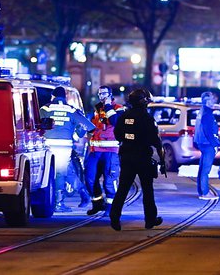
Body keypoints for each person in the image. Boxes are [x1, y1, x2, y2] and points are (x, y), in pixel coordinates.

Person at [109, 88, 165, 231]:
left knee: (122, 188)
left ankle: (114, 217)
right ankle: (150, 220)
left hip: (127, 156)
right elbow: (155, 140)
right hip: (142, 158)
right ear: (144, 102)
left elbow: (118, 135)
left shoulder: (124, 116)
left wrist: (129, 140)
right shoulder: (147, 118)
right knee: (147, 190)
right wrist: (162, 158)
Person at [41, 86, 95, 212]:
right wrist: (75, 136)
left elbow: (36, 124)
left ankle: (58, 203)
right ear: (65, 97)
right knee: (65, 172)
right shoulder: (71, 110)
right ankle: (83, 194)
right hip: (64, 148)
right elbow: (89, 127)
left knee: (55, 174)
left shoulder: (45, 109)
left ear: (53, 96)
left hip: (48, 147)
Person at [85, 85, 125, 216]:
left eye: (104, 94)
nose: (101, 96)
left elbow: (115, 121)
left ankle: (111, 207)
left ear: (110, 94)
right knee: (90, 179)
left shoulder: (119, 109)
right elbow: (94, 126)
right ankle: (97, 203)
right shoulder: (97, 109)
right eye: (99, 94)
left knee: (109, 180)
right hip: (95, 150)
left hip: (110, 151)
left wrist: (108, 106)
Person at [193, 91, 220, 200]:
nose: (214, 102)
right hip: (207, 144)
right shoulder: (207, 114)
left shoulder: (202, 112)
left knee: (202, 168)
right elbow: (208, 131)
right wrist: (215, 144)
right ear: (208, 101)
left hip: (202, 143)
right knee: (205, 170)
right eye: (213, 99)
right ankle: (205, 193)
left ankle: (201, 191)